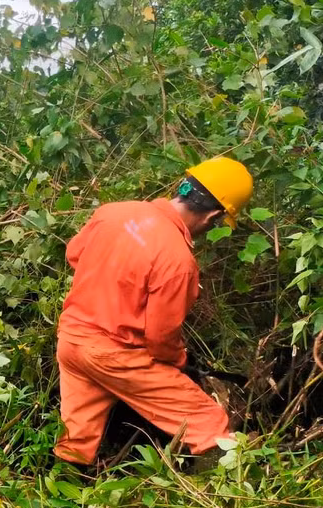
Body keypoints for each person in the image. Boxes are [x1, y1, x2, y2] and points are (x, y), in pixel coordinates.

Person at [54, 157, 254, 465]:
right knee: (208, 422)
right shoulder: (178, 261)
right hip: (116, 355)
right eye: (216, 222)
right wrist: (180, 362)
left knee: (76, 438)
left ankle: (60, 498)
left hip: (71, 341)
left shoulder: (113, 212)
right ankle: (224, 501)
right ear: (212, 215)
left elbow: (74, 254)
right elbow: (160, 337)